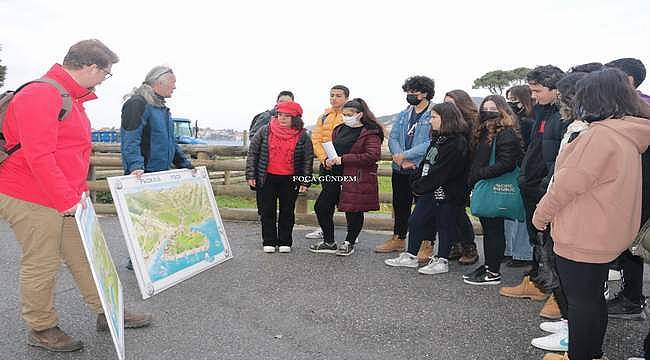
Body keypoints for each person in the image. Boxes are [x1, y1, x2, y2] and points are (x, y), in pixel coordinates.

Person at [0, 39, 151, 353]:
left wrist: (76, 194)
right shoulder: (42, 93)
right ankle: (41, 327)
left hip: (60, 194)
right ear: (91, 67)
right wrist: (66, 196)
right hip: (29, 193)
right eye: (105, 74)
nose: (103, 81)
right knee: (42, 262)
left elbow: (69, 155)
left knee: (85, 255)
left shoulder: (68, 97)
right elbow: (38, 155)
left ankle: (106, 310)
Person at [533, 67, 650, 360]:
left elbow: (565, 187)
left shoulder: (597, 137)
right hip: (605, 232)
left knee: (581, 304)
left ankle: (582, 355)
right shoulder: (627, 135)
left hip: (582, 233)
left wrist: (540, 216)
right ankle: (593, 354)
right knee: (592, 299)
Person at [500, 65, 566, 321]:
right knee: (536, 239)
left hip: (545, 189)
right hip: (531, 186)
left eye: (537, 90)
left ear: (556, 89)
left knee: (551, 243)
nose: (533, 95)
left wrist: (543, 186)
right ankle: (538, 283)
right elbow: (535, 149)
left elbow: (558, 160)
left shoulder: (563, 116)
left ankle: (558, 296)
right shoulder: (542, 112)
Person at [530, 71, 589, 353]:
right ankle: (569, 325)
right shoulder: (572, 123)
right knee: (563, 275)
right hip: (556, 199)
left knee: (578, 286)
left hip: (567, 210)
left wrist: (545, 207)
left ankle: (576, 338)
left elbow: (567, 176)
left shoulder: (583, 129)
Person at [120, 65, 194, 270]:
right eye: (172, 83)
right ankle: (138, 260)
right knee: (144, 219)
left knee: (158, 218)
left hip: (161, 171)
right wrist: (135, 166)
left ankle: (149, 257)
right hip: (145, 172)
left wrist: (183, 163)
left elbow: (170, 142)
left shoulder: (161, 107)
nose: (175, 87)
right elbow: (130, 138)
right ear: (158, 82)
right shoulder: (137, 104)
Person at [384, 102, 470, 275]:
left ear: (447, 119)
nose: (430, 121)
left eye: (434, 117)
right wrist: (416, 180)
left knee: (445, 224)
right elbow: (426, 163)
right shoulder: (438, 138)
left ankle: (442, 260)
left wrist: (420, 186)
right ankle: (410, 255)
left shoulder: (457, 142)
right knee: (416, 221)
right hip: (428, 189)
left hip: (446, 191)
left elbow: (443, 171)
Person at [604, 58, 649, 322]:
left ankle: (632, 299)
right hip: (634, 185)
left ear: (628, 80)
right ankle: (631, 295)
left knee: (633, 243)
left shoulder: (636, 109)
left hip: (639, 188)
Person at [309, 98, 383, 256]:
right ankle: (329, 241)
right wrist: (328, 160)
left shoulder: (371, 131)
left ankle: (349, 242)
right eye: (344, 114)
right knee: (321, 206)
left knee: (353, 210)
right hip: (333, 174)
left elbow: (372, 155)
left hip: (356, 176)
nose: (345, 117)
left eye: (349, 114)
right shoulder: (340, 129)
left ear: (360, 114)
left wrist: (344, 159)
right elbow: (334, 148)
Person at [463, 95, 523, 286]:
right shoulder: (484, 131)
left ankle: (493, 271)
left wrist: (480, 174)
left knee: (494, 231)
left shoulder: (506, 133)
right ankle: (489, 266)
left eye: (492, 107)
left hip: (492, 184)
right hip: (484, 183)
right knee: (490, 230)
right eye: (485, 107)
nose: (487, 111)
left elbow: (506, 163)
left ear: (502, 110)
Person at [376, 76, 434, 263]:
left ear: (425, 93)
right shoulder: (402, 114)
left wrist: (408, 155)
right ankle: (399, 238)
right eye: (408, 91)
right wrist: (400, 158)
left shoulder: (434, 113)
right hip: (400, 167)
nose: (410, 94)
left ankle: (427, 243)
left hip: (421, 166)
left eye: (414, 91)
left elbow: (431, 141)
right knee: (400, 204)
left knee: (424, 208)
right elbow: (393, 138)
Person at [246, 101, 313, 253]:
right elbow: (253, 154)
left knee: (287, 211)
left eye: (287, 116)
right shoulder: (265, 130)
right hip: (266, 177)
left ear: (295, 118)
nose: (282, 118)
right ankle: (268, 241)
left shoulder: (303, 135)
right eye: (279, 115)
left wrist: (305, 180)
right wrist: (251, 174)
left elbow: (307, 159)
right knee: (267, 210)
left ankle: (285, 241)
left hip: (290, 179)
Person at [305, 85, 349, 240]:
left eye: (338, 95)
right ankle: (325, 229)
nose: (334, 98)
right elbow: (316, 140)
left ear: (346, 98)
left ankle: (352, 232)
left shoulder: (350, 115)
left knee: (347, 198)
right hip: (327, 165)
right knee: (327, 200)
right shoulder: (323, 117)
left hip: (345, 164)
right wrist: (324, 159)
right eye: (332, 95)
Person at [443, 90, 479, 265]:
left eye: (452, 102)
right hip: (449, 172)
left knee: (458, 211)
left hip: (465, 173)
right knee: (448, 210)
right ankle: (455, 244)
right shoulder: (447, 123)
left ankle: (469, 246)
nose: (448, 106)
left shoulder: (473, 123)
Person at [248, 90, 295, 217]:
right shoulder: (266, 117)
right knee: (266, 207)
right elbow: (253, 137)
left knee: (286, 207)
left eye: (288, 102)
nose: (284, 104)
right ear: (276, 103)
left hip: (286, 170)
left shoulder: (294, 118)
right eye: (281, 101)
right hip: (265, 166)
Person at [503, 85, 535, 268]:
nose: (511, 104)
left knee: (520, 215)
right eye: (508, 99)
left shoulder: (530, 122)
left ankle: (522, 253)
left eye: (514, 100)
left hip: (524, 172)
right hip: (514, 171)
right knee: (509, 212)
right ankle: (510, 250)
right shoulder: (512, 122)